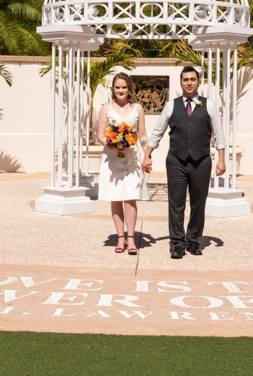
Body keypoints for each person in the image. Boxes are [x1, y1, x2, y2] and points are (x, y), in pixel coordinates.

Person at [142, 65, 226, 259]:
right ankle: (178, 243)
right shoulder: (171, 105)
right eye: (186, 79)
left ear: (198, 82)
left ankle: (194, 241)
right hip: (176, 161)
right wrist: (148, 154)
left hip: (202, 161)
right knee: (176, 204)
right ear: (181, 82)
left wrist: (221, 159)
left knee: (198, 203)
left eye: (193, 79)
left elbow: (218, 134)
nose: (189, 82)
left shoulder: (209, 105)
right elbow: (158, 131)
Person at [96, 72, 149, 254]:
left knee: (131, 198)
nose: (121, 90)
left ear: (129, 89)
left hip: (132, 157)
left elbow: (142, 135)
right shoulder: (105, 108)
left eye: (124, 87)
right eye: (117, 87)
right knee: (116, 198)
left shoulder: (138, 108)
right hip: (112, 158)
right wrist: (110, 146)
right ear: (113, 89)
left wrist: (146, 155)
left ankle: (132, 239)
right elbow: (100, 134)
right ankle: (120, 238)